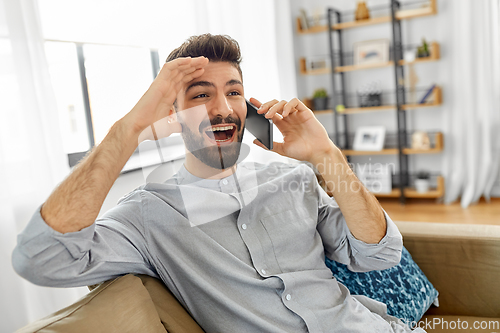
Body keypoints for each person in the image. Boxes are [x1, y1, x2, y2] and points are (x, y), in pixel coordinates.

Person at [12, 34, 423, 333]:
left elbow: (379, 255)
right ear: (170, 115)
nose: (223, 108)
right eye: (200, 95)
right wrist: (130, 129)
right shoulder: (147, 215)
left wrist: (327, 156)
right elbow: (41, 258)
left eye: (234, 92)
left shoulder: (292, 179)